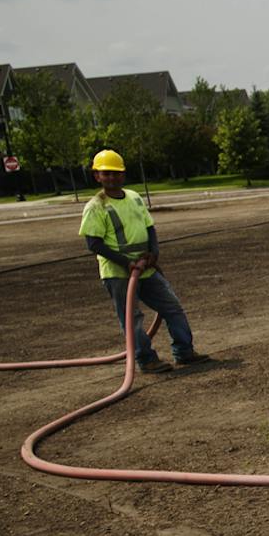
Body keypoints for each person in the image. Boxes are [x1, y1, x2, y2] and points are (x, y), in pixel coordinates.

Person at [79, 149, 209, 372]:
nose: (112, 177)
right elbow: (94, 244)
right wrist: (125, 262)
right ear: (97, 176)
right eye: (106, 173)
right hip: (119, 274)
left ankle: (184, 351)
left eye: (116, 173)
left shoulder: (134, 197)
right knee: (132, 318)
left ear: (123, 174)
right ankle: (146, 359)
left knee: (172, 306)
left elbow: (150, 227)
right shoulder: (95, 207)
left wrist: (153, 253)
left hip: (146, 268)